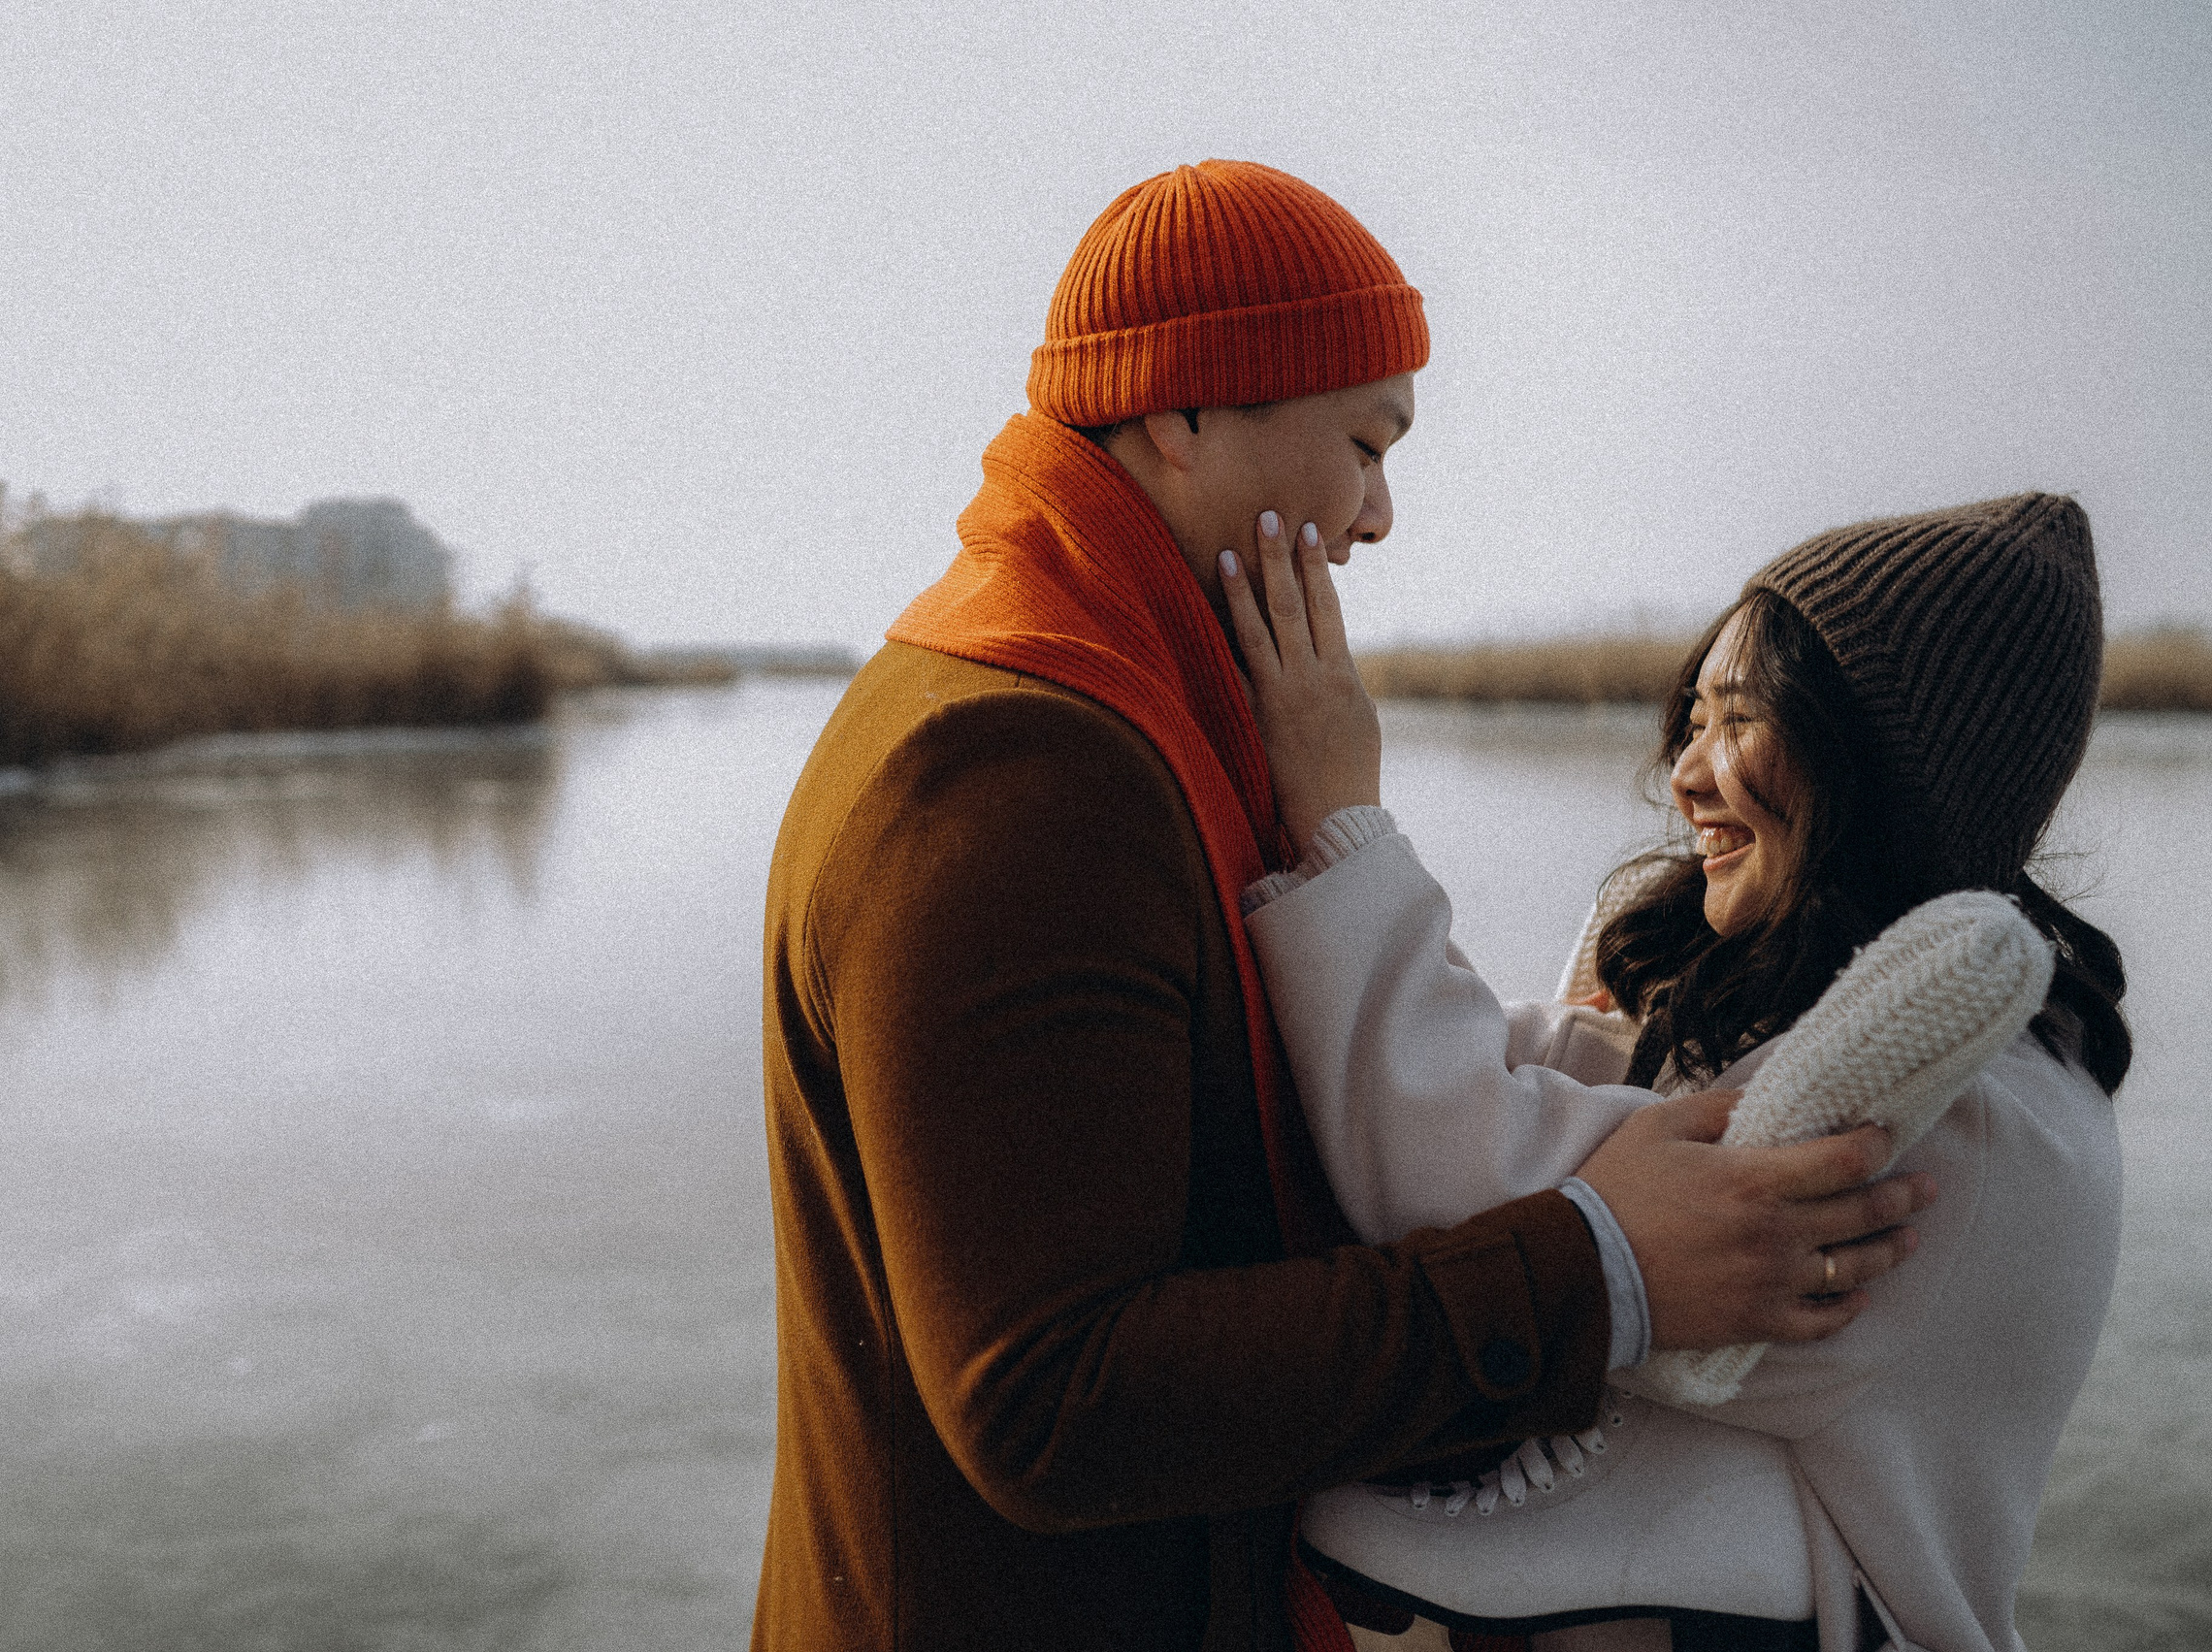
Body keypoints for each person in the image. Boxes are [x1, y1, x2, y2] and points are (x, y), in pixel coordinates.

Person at [754, 159, 1935, 1652]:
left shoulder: (1110, 698)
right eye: (1366, 444)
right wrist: (1595, 1266)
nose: (1380, 516)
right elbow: (1053, 1399)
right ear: (1184, 413)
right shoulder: (1013, 767)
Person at [1220, 493, 2126, 1651]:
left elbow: (1467, 1181)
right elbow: (1543, 1082)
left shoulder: (1968, 1104)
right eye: (1690, 719)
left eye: (1738, 720)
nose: (1685, 774)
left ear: (1886, 766)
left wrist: (1340, 818)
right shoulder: (1818, 1005)